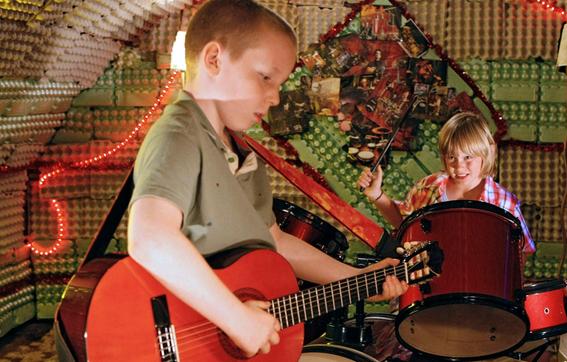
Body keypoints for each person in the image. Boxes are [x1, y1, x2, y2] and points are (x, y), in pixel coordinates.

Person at [126, 0, 408, 358]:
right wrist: (235, 318)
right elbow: (149, 237)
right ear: (214, 59)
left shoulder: (243, 154)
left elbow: (275, 242)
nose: (274, 97)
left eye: (279, 83)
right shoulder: (179, 134)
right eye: (265, 78)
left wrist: (359, 281)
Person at [357, 112, 535, 253]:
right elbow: (405, 224)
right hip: (431, 286)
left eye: (468, 157)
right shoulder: (428, 187)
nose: (459, 166)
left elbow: (524, 249)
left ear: (485, 154)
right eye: (452, 157)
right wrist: (376, 195)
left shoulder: (503, 201)